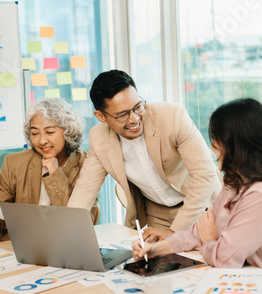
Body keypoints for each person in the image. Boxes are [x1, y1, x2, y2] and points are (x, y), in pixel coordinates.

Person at [132, 98, 262, 279]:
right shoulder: (235, 181)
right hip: (242, 281)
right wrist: (156, 250)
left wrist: (209, 239)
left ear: (237, 145)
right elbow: (197, 232)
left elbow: (224, 260)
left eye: (216, 140)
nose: (211, 147)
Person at [68, 70, 222, 241]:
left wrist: (174, 233)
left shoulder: (173, 116)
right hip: (158, 216)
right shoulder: (99, 137)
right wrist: (66, 234)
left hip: (203, 207)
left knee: (207, 262)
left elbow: (204, 175)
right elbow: (85, 189)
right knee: (161, 266)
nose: (134, 119)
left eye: (137, 107)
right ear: (101, 116)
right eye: (122, 115)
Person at [0, 97, 99, 242]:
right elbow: (3, 217)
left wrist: (55, 174)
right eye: (35, 133)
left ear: (68, 132)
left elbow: (81, 223)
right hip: (20, 244)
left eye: (50, 132)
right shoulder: (13, 163)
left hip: (65, 244)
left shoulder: (86, 164)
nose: (42, 141)